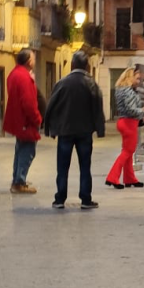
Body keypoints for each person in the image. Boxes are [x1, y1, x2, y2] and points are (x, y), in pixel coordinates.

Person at [44, 51, 105, 209]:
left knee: (62, 167)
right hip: (85, 132)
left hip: (65, 131)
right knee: (85, 166)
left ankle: (60, 199)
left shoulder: (62, 83)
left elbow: (51, 106)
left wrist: (49, 128)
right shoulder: (91, 83)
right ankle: (85, 199)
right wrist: (100, 129)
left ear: (72, 65)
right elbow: (98, 107)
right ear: (86, 66)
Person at [3, 49, 43, 194]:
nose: (34, 60)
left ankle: (17, 179)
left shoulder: (14, 74)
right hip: (26, 121)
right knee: (27, 151)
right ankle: (19, 181)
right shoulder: (24, 77)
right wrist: (37, 118)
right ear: (29, 61)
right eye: (33, 58)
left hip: (18, 119)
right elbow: (28, 102)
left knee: (20, 150)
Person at [105, 68, 144, 189]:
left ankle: (130, 179)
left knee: (128, 151)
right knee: (127, 152)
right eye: (137, 78)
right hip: (129, 122)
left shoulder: (120, 90)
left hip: (123, 121)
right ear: (130, 77)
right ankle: (112, 177)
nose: (139, 81)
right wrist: (143, 110)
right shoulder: (129, 91)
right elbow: (131, 109)